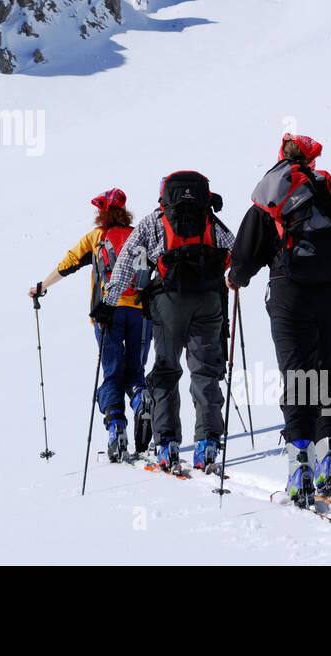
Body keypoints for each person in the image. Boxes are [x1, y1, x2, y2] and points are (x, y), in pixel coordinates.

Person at [227, 134, 331, 507]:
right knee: (328, 375)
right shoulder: (329, 192)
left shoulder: (270, 193)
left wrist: (236, 279)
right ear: (311, 160)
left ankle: (299, 467)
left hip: (292, 296)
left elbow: (244, 254)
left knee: (299, 377)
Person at [94, 172, 234, 474]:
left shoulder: (153, 221)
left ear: (163, 195)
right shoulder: (209, 220)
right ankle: (207, 442)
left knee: (167, 370)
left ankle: (167, 442)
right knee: (205, 372)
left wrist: (108, 303)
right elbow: (234, 250)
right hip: (208, 301)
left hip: (167, 302)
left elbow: (125, 262)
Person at [28, 189, 152, 462]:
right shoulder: (139, 236)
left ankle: (116, 428)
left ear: (102, 213)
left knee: (112, 373)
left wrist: (41, 287)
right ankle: (141, 397)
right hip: (141, 313)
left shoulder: (96, 238)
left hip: (106, 314)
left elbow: (69, 264)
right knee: (135, 371)